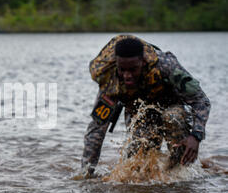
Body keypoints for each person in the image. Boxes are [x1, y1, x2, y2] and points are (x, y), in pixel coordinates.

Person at [82, 35, 210, 177]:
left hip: (172, 107)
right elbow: (96, 130)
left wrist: (196, 136)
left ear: (143, 62)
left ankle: (182, 171)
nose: (127, 76)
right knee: (137, 170)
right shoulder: (111, 81)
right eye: (122, 69)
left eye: (133, 69)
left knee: (172, 117)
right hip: (140, 115)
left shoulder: (165, 66)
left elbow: (201, 100)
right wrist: (86, 173)